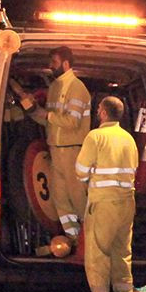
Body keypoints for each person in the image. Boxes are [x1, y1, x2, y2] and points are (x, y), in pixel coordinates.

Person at [75, 96, 140, 292]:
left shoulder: (96, 137)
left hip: (103, 204)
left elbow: (81, 170)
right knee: (122, 253)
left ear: (102, 112)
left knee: (98, 255)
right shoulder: (129, 139)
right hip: (127, 203)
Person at [20, 46, 91, 241]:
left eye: (55, 62)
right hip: (56, 151)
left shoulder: (77, 88)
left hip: (72, 151)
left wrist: (45, 114)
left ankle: (90, 238)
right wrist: (34, 111)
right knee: (60, 200)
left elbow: (72, 122)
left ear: (66, 63)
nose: (51, 66)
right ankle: (74, 240)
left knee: (78, 198)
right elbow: (48, 120)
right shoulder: (54, 88)